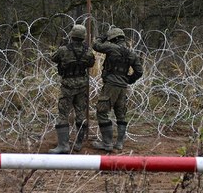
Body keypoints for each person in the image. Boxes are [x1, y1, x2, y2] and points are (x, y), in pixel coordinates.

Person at [92, 26, 143, 151]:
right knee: (121, 114)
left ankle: (107, 143)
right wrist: (128, 80)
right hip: (123, 87)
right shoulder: (131, 53)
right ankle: (119, 143)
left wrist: (102, 37)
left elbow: (96, 46)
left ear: (113, 39)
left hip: (111, 85)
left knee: (102, 111)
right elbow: (139, 71)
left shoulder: (112, 48)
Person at [48, 24, 95, 154]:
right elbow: (91, 63)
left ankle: (63, 145)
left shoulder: (64, 49)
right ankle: (79, 143)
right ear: (83, 37)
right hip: (82, 85)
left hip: (67, 85)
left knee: (63, 114)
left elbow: (53, 58)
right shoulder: (88, 51)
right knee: (80, 113)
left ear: (72, 35)